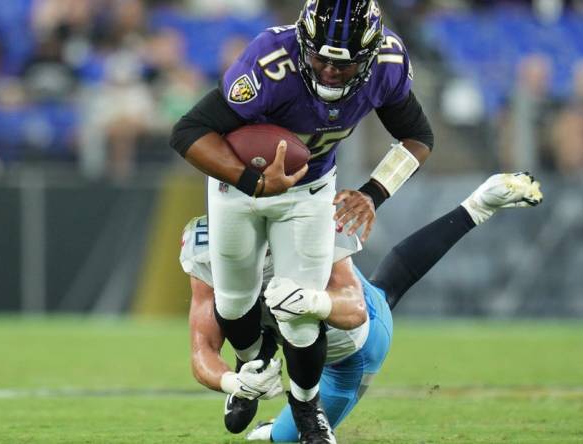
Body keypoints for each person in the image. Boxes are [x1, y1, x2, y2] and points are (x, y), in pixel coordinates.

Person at [169, 2, 434, 441]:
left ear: (367, 58)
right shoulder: (271, 63)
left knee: (299, 307)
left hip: (310, 191)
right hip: (239, 189)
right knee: (235, 303)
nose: (330, 71)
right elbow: (189, 131)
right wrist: (251, 179)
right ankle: (251, 368)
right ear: (304, 43)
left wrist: (374, 192)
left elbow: (419, 136)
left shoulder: (387, 65)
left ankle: (307, 410)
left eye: (344, 64)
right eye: (321, 59)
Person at [180, 173, 543, 442]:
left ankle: (477, 206)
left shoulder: (310, 221)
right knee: (250, 306)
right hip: (277, 323)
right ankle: (253, 366)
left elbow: (355, 312)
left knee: (281, 439)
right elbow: (202, 350)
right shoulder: (208, 244)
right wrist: (232, 380)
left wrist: (314, 302)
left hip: (348, 345)